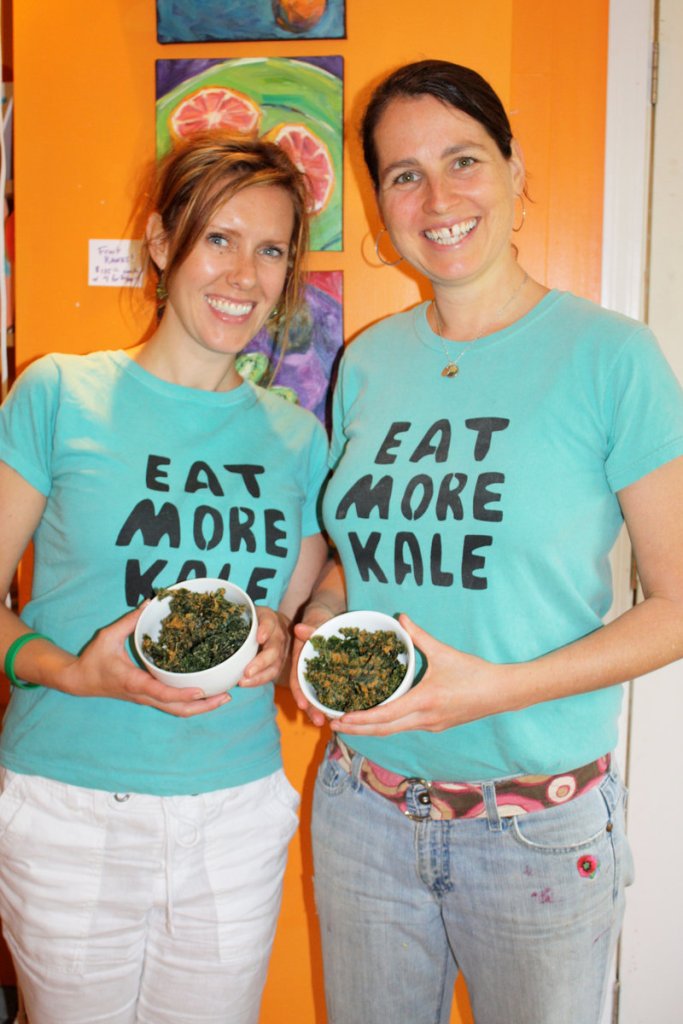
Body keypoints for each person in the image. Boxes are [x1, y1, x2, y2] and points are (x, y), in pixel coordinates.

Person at [290, 60, 683, 1024]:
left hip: (537, 832)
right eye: (402, 174)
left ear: (514, 168)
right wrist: (321, 623)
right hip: (363, 810)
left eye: (462, 159)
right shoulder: (371, 359)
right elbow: (358, 551)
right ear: (379, 203)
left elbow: (675, 606)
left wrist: (489, 688)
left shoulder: (610, 358)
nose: (435, 197)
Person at [0, 132, 329, 1024]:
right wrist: (66, 668)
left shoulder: (296, 436)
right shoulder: (59, 393)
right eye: (218, 238)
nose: (244, 275)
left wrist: (279, 635)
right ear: (158, 242)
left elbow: (290, 606)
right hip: (71, 805)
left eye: (270, 249)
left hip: (232, 812)